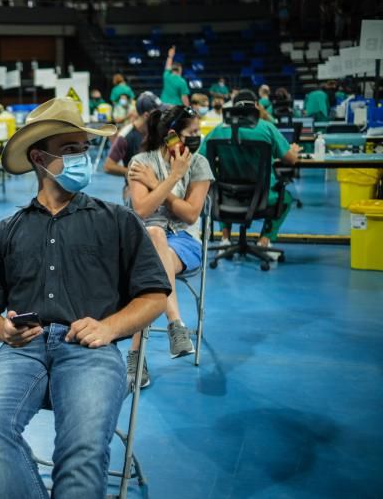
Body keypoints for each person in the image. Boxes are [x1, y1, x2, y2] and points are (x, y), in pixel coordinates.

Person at [0, 98, 171, 498]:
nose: (84, 158)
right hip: (22, 351)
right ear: (40, 158)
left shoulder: (118, 221)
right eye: (72, 149)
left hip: (90, 350)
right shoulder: (3, 232)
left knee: (81, 448)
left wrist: (110, 326)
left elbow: (155, 296)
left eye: (85, 148)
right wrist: (4, 330)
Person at [126, 106, 213, 387]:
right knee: (153, 233)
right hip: (143, 239)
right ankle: (176, 322)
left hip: (184, 241)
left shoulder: (199, 164)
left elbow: (189, 214)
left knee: (148, 268)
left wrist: (156, 186)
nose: (198, 138)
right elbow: (141, 209)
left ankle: (136, 356)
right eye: (193, 133)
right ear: (172, 136)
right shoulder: (141, 162)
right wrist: (173, 178)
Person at [200, 90, 300, 256]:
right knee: (286, 198)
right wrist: (294, 150)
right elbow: (290, 160)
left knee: (223, 186)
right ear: (255, 106)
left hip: (225, 197)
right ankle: (264, 241)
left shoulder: (218, 130)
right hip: (262, 198)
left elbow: (200, 159)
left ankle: (225, 239)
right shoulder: (266, 128)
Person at [104, 91, 165, 200]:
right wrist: (138, 173)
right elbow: (108, 166)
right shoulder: (125, 136)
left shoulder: (161, 129)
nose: (161, 116)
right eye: (158, 113)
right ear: (147, 115)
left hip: (160, 185)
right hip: (137, 188)